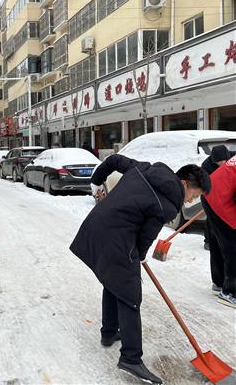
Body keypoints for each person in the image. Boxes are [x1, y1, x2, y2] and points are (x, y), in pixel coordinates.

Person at [69, 154, 211, 385]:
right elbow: (145, 238)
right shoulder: (166, 205)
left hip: (96, 224)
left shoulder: (144, 168)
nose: (188, 202)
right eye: (192, 196)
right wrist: (140, 257)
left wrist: (97, 181)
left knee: (113, 280)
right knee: (130, 296)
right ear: (183, 184)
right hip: (116, 238)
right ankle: (131, 358)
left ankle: (109, 332)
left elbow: (114, 160)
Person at [203, 154, 236, 308]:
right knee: (232, 246)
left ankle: (219, 282)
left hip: (212, 194)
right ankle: (230, 292)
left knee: (218, 241)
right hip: (220, 199)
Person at [201, 145, 233, 252]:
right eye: (218, 162)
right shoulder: (207, 166)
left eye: (223, 161)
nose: (221, 164)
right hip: (212, 194)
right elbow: (208, 185)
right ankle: (208, 241)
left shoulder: (233, 159)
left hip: (229, 192)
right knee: (212, 219)